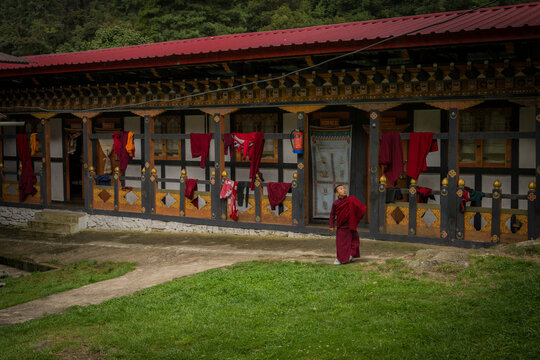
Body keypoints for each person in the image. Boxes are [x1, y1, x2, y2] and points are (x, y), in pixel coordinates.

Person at [329, 184, 367, 265]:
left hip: (350, 226)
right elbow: (332, 215)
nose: (344, 190)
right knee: (341, 244)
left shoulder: (351, 200)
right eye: (341, 189)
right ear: (337, 193)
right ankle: (339, 259)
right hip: (341, 227)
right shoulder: (335, 203)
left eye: (344, 188)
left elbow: (360, 208)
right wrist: (332, 225)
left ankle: (352, 255)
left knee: (354, 242)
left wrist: (358, 216)